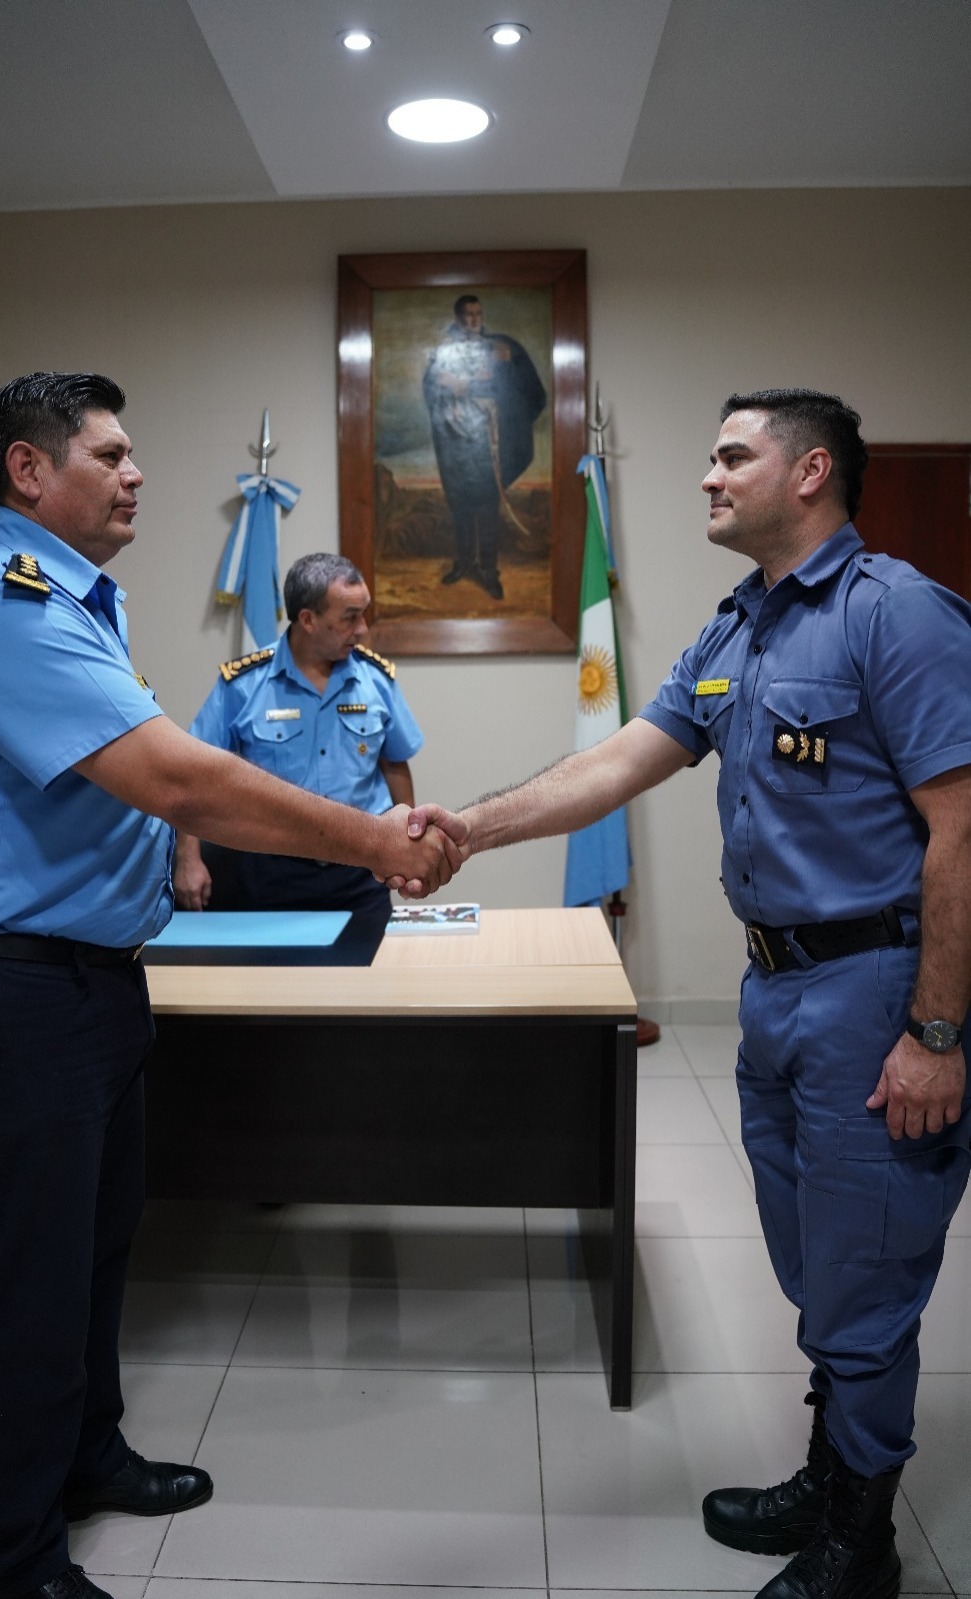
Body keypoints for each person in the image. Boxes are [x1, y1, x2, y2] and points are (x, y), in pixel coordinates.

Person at [401, 389, 971, 1599]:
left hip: (874, 991)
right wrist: (468, 828)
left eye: (730, 457)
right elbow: (617, 760)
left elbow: (959, 832)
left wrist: (933, 1032)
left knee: (864, 1278)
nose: (707, 477)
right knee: (815, 1263)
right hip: (775, 992)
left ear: (808, 472)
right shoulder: (737, 629)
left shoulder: (895, 614)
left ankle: (858, 1543)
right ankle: (828, 1471)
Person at [0, 372, 456, 1599]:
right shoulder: (4, 603)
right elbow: (181, 781)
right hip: (11, 995)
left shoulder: (71, 603)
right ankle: (18, 1559)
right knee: (23, 1282)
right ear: (29, 471)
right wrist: (377, 841)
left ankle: (86, 1457)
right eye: (109, 453)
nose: (135, 471)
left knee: (95, 1252)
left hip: (88, 982)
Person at [174, 552, 422, 942]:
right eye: (350, 617)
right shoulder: (244, 685)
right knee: (273, 978)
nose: (362, 629)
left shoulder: (376, 679)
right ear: (307, 620)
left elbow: (394, 765)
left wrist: (408, 843)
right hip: (269, 874)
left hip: (361, 873)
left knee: (369, 976)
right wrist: (188, 859)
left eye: (363, 614)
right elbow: (193, 772)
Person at [422, 293, 546, 600]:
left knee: (488, 505)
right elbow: (433, 387)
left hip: (488, 442)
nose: (473, 320)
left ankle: (488, 570)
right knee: (460, 505)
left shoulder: (499, 349)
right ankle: (465, 562)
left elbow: (516, 389)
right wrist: (449, 398)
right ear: (458, 318)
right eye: (468, 314)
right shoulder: (444, 354)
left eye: (478, 314)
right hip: (455, 443)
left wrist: (467, 386)